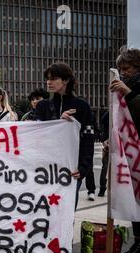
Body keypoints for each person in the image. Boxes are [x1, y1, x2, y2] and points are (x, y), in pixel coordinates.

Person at [35, 62, 94, 207]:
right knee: (46, 212)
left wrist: (84, 166)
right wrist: (58, 123)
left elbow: (88, 137)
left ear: (66, 80)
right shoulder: (42, 106)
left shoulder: (82, 106)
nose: (49, 82)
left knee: (66, 214)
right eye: (47, 79)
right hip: (46, 169)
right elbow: (37, 135)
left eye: (54, 78)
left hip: (72, 169)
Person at [110, 46, 140, 253]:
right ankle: (138, 239)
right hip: (132, 151)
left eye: (126, 68)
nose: (123, 73)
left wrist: (128, 94)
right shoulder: (125, 86)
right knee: (135, 199)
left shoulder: (131, 88)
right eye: (120, 69)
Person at [98, 111, 109, 197]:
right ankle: (102, 188)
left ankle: (102, 189)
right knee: (105, 167)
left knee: (105, 167)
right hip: (108, 143)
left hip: (107, 142)